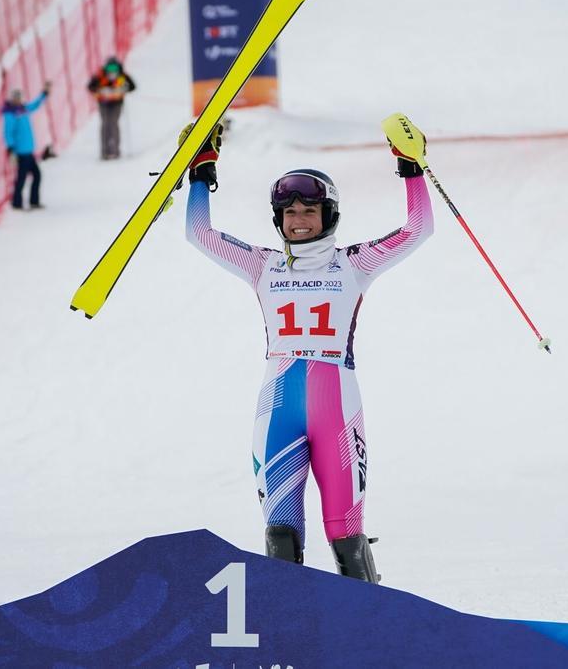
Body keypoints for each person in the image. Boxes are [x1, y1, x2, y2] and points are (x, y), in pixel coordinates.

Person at [181, 122, 434, 582]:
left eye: (310, 209)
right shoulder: (262, 264)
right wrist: (201, 171)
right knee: (280, 535)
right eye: (289, 210)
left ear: (328, 214)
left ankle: (366, 631)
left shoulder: (355, 262)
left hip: (336, 403)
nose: (299, 218)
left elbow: (418, 230)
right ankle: (286, 632)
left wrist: (410, 167)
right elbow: (200, 234)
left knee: (345, 533)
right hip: (278, 403)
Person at [2, 82, 51, 210]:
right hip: (20, 152)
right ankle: (16, 202)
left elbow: (35, 105)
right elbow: (8, 132)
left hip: (28, 151)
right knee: (22, 178)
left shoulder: (23, 110)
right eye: (15, 97)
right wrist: (11, 149)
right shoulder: (10, 114)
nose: (18, 100)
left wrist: (44, 94)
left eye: (19, 97)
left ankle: (33, 201)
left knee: (36, 175)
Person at [86, 57, 136, 160]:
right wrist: (101, 90)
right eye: (110, 68)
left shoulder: (121, 75)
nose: (112, 71)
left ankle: (115, 151)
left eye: (114, 68)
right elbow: (90, 86)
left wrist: (123, 89)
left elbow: (132, 86)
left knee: (113, 124)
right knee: (105, 124)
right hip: (103, 103)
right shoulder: (101, 75)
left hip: (117, 103)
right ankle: (104, 152)